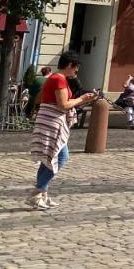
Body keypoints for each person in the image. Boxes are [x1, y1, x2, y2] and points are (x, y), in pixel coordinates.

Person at [27, 51, 99, 210]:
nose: (76, 71)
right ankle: (37, 193)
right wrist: (82, 99)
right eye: (76, 67)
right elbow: (63, 105)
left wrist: (83, 97)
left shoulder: (58, 78)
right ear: (69, 65)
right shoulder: (58, 79)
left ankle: (42, 194)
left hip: (52, 122)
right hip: (52, 123)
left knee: (49, 159)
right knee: (61, 158)